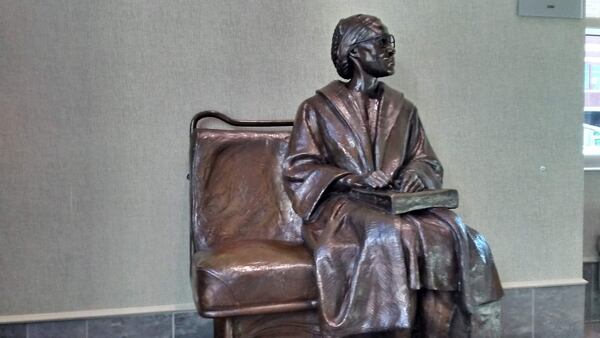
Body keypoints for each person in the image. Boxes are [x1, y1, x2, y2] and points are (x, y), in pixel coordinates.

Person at [282, 14, 503, 337]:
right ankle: (384, 330)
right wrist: (350, 178)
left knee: (453, 230)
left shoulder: (404, 109)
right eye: (382, 42)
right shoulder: (317, 108)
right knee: (387, 230)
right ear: (354, 52)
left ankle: (440, 329)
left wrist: (417, 171)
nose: (390, 50)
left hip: (399, 201)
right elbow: (300, 167)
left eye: (390, 42)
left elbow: (426, 159)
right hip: (342, 206)